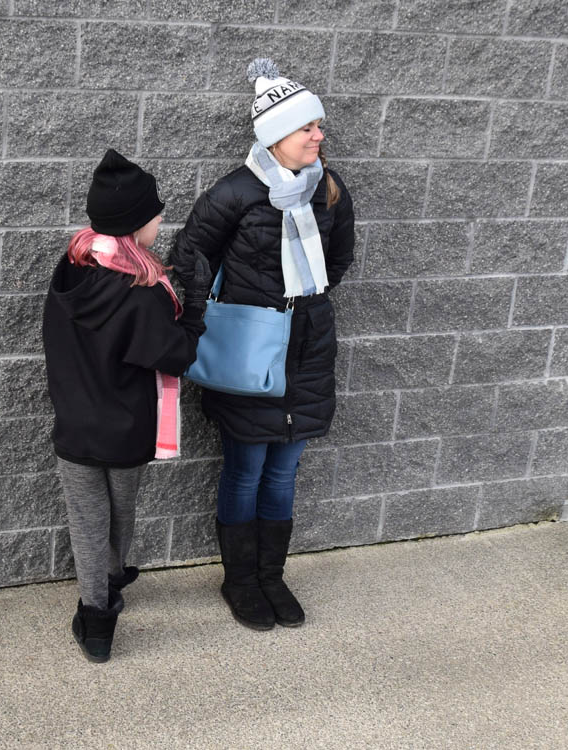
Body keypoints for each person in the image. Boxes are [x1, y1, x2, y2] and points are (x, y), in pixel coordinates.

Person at [170, 59, 356, 631]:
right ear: (277, 136)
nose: (320, 136)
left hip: (308, 349)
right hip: (251, 353)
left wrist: (303, 307)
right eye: (309, 128)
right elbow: (188, 258)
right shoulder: (235, 192)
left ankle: (272, 576)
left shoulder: (328, 185)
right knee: (246, 470)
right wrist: (222, 320)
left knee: (284, 473)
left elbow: (340, 257)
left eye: (319, 126)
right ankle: (240, 580)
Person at [43, 149, 210, 662]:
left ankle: (106, 593)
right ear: (135, 223)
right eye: (156, 212)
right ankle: (100, 612)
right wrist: (196, 301)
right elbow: (177, 355)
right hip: (128, 426)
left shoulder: (69, 272)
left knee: (88, 520)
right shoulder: (142, 295)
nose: (162, 219)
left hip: (75, 424)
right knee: (119, 512)